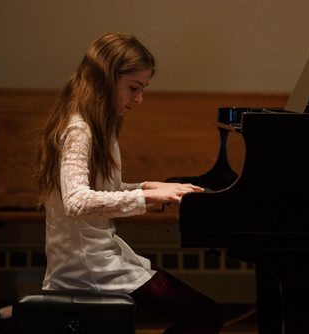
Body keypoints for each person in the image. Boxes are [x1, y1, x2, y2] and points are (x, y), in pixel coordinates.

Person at [36, 32, 224, 334]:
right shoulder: (79, 129)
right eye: (133, 88)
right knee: (205, 315)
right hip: (86, 269)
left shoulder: (99, 125)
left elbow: (103, 190)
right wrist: (145, 198)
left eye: (143, 88)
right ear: (105, 80)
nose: (139, 98)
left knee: (204, 314)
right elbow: (76, 202)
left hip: (101, 259)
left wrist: (149, 187)